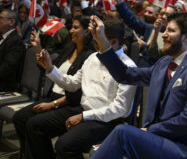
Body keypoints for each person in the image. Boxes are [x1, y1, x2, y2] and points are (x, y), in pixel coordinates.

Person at [90, 12, 187, 159]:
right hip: (160, 140)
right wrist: (103, 42)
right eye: (165, 30)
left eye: (171, 30)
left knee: (122, 133)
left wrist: (151, 130)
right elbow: (125, 74)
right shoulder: (164, 63)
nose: (163, 35)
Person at [23, 19, 137, 159]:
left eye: (97, 40)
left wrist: (83, 117)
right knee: (34, 125)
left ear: (113, 42)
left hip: (107, 121)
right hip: (84, 110)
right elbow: (72, 84)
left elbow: (121, 109)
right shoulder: (93, 57)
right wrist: (50, 68)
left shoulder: (128, 67)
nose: (94, 44)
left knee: (64, 145)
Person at [12, 16, 94, 158]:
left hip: (69, 103)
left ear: (87, 32)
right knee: (20, 117)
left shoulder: (89, 56)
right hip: (52, 97)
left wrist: (52, 104)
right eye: (71, 27)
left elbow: (78, 92)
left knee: (33, 124)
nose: (71, 30)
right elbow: (47, 67)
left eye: (75, 27)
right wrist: (37, 47)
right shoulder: (70, 48)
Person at [0, 9, 25, 92]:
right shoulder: (3, 36)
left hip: (5, 85)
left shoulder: (16, 41)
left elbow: (7, 68)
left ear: (11, 22)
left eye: (1, 18)